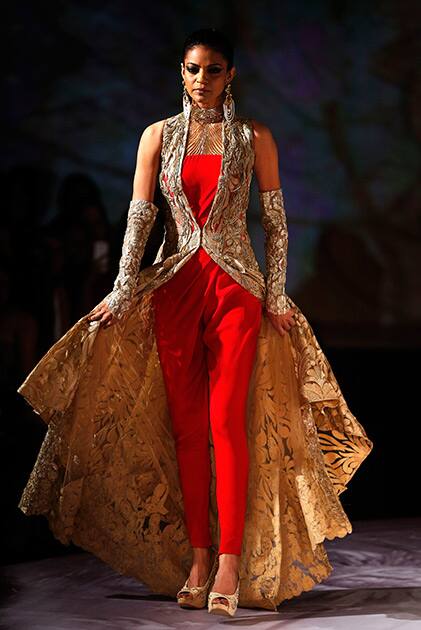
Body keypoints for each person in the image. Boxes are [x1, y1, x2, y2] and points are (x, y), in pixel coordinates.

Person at [17, 28, 373, 617]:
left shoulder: (253, 136)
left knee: (227, 422)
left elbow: (277, 223)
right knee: (186, 429)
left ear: (231, 75)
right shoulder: (157, 136)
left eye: (212, 70)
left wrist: (277, 297)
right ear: (180, 72)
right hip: (175, 290)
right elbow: (139, 216)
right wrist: (123, 289)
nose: (200, 80)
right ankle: (200, 556)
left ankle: (231, 560)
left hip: (235, 290)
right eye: (191, 69)